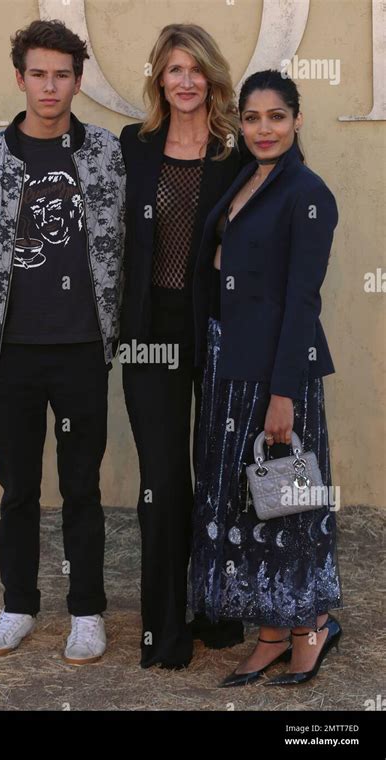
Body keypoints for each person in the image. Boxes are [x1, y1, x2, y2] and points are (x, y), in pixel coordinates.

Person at [0, 19, 125, 664]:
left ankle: (86, 611)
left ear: (78, 80)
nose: (51, 86)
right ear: (19, 78)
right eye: (39, 74)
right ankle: (18, 604)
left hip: (81, 351)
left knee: (82, 486)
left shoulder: (105, 155)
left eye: (63, 74)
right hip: (9, 355)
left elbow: (134, 244)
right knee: (17, 487)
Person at [191, 70, 343, 686]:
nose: (263, 129)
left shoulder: (309, 192)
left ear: (297, 119)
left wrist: (284, 394)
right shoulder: (243, 178)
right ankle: (273, 632)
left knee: (290, 503)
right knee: (246, 501)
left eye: (276, 116)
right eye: (252, 118)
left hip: (281, 369)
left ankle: (311, 627)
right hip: (229, 361)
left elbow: (303, 301)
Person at [119, 23, 247, 669]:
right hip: (148, 333)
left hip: (218, 327)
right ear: (160, 79)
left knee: (219, 475)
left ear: (211, 76)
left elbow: (280, 214)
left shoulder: (238, 149)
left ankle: (217, 613)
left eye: (196, 68)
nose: (187, 80)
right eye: (174, 69)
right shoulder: (134, 148)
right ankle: (164, 629)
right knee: (164, 480)